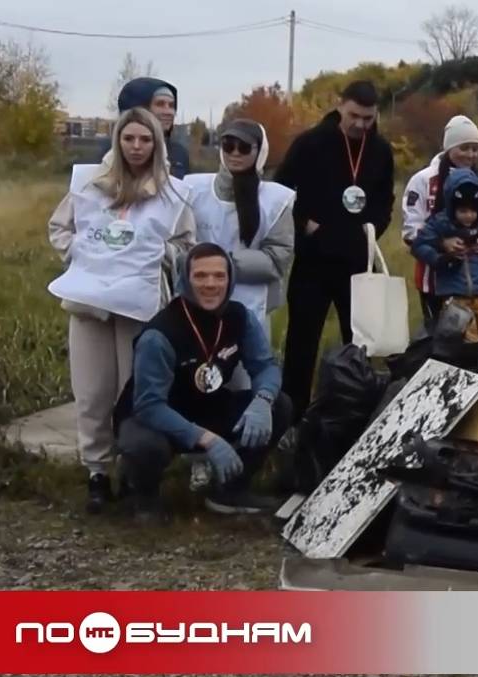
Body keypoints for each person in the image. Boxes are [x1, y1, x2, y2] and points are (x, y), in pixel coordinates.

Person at [47, 107, 194, 513]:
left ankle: (135, 472)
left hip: (139, 306)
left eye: (145, 140)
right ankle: (97, 472)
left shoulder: (172, 193)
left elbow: (187, 245)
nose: (136, 147)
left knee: (134, 391)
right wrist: (82, 251)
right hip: (90, 303)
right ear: (118, 140)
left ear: (156, 143)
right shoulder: (90, 184)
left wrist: (160, 252)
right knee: (92, 392)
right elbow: (59, 228)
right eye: (129, 138)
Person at [112, 244, 293, 522]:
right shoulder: (159, 335)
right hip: (158, 417)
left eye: (220, 276)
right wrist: (207, 440)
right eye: (201, 276)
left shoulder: (239, 317)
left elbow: (265, 366)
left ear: (230, 279)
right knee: (144, 445)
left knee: (280, 405)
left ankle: (230, 490)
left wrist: (263, 400)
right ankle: (143, 497)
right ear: (185, 279)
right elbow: (149, 405)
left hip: (208, 407)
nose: (211, 284)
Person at [273, 80, 395, 418]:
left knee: (360, 341)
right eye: (354, 115)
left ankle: (352, 412)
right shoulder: (311, 143)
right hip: (313, 260)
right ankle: (292, 415)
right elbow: (279, 191)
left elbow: (385, 200)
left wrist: (372, 232)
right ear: (340, 106)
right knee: (302, 340)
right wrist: (304, 225)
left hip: (357, 262)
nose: (360, 124)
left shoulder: (381, 151)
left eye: (368, 118)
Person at [182, 120, 295, 320]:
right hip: (197, 299)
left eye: (243, 147)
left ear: (260, 151)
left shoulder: (276, 201)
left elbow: (278, 259)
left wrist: (223, 264)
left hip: (251, 304)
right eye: (228, 145)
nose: (234, 153)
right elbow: (180, 243)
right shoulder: (192, 189)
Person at [401, 114, 478, 322]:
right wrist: (442, 244)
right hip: (433, 278)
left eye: (475, 148)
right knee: (439, 342)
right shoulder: (422, 180)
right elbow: (410, 231)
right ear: (448, 148)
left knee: (475, 343)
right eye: (464, 148)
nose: (470, 155)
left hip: (476, 279)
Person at [411, 168, 478, 347]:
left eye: (473, 211)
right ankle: (468, 371)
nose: (469, 216)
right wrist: (440, 258)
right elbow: (419, 245)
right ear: (452, 207)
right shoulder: (440, 223)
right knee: (466, 340)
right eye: (463, 211)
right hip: (455, 295)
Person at [97, 77, 189, 179]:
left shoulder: (178, 153)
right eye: (160, 104)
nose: (168, 112)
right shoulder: (111, 154)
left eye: (171, 105)